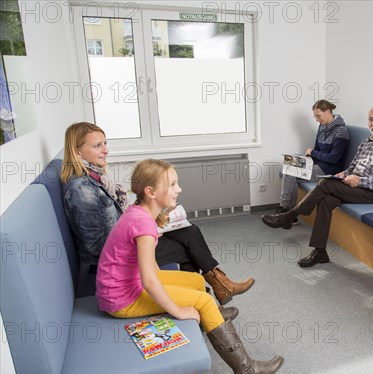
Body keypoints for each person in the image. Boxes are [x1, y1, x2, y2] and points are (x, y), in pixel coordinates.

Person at [96, 159, 283, 374]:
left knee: (195, 280)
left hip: (126, 284)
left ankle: (212, 316)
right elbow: (149, 281)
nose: (179, 189)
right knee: (203, 299)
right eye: (173, 184)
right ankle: (246, 370)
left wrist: (175, 289)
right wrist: (179, 309)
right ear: (150, 192)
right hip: (122, 298)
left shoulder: (140, 212)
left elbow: (150, 267)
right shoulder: (143, 224)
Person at [60, 122, 254, 308]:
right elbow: (97, 248)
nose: (105, 150)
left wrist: (146, 224)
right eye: (97, 146)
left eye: (105, 143)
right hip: (116, 257)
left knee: (190, 231)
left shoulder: (96, 176)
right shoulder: (81, 190)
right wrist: (142, 233)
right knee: (185, 251)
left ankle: (221, 287)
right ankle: (201, 301)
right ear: (77, 151)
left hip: (128, 237)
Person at [262, 107, 373, 267]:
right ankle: (319, 252)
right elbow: (352, 168)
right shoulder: (367, 142)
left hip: (371, 192)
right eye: (371, 119)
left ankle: (289, 216)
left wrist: (360, 181)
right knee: (326, 201)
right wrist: (343, 174)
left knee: (324, 184)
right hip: (353, 185)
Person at [277, 100, 350, 228]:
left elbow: (334, 159)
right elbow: (316, 149)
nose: (316, 119)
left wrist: (313, 153)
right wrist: (307, 159)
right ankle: (289, 214)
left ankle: (285, 211)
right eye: (315, 116)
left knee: (290, 174)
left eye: (318, 115)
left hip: (329, 170)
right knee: (287, 168)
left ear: (327, 112)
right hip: (317, 165)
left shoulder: (341, 131)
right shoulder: (322, 127)